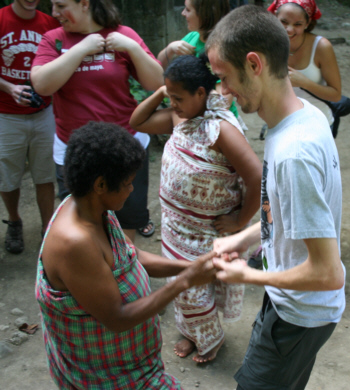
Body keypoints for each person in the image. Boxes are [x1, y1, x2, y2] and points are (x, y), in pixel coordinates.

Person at [206, 5, 345, 389]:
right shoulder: (305, 116)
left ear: (254, 65)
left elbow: (327, 272)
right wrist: (245, 237)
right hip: (293, 305)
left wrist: (247, 274)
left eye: (224, 77)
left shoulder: (292, 154)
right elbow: (285, 213)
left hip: (299, 314)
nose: (222, 92)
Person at [35, 121, 217, 389]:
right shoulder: (75, 243)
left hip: (133, 366)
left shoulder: (91, 208)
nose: (132, 190)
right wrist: (186, 279)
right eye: (128, 183)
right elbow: (117, 318)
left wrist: (188, 265)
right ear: (100, 184)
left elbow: (130, 256)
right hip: (107, 378)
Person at [130, 54, 262, 363]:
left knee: (195, 289)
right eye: (170, 97)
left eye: (178, 97)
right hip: (176, 228)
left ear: (201, 93)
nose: (172, 104)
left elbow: (257, 177)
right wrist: (163, 93)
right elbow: (137, 122)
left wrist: (240, 221)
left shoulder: (220, 130)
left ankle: (210, 339)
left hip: (207, 231)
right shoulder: (181, 116)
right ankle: (192, 333)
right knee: (180, 288)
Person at [31, 0, 162, 242]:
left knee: (126, 222)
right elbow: (42, 84)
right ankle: (93, 276)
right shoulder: (54, 39)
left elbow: (156, 82)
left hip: (126, 146)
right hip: (74, 152)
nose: (54, 13)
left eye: (60, 5)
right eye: (52, 5)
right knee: (84, 227)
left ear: (84, 4)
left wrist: (132, 48)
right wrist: (80, 49)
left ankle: (123, 273)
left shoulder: (123, 35)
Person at [0, 0, 60, 254]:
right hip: (6, 113)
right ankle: (14, 220)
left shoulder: (49, 22)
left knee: (45, 174)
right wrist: (10, 88)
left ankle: (47, 229)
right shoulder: (2, 19)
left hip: (43, 111)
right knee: (7, 176)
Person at [268, 0, 350, 138]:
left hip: (316, 126)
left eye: (297, 24)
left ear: (308, 22)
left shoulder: (321, 47)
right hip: (281, 123)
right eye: (284, 22)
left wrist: (304, 82)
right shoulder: (269, 44)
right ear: (275, 17)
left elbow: (335, 94)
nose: (289, 29)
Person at [157, 0, 246, 127]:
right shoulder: (193, 37)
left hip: (219, 123)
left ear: (204, 14)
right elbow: (159, 67)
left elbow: (223, 101)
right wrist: (170, 49)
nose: (183, 13)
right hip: (195, 116)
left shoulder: (222, 49)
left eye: (188, 10)